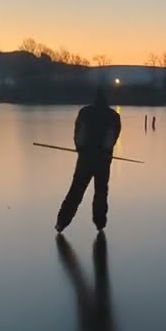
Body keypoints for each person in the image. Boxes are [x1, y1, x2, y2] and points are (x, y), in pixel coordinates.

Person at [55, 86, 121, 233]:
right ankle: (100, 224)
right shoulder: (113, 116)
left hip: (85, 159)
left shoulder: (85, 112)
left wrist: (80, 148)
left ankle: (62, 223)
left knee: (76, 191)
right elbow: (112, 138)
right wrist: (104, 150)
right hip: (103, 160)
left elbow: (79, 133)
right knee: (101, 192)